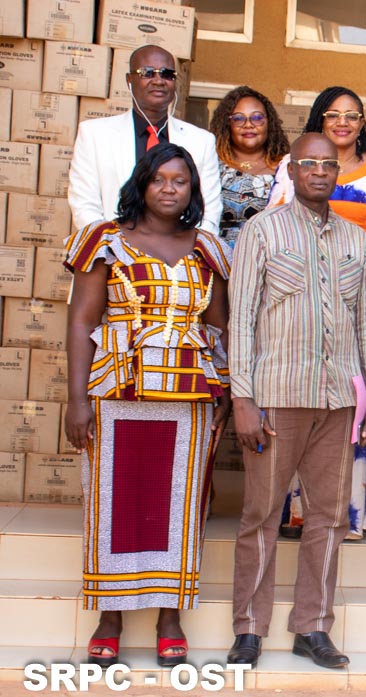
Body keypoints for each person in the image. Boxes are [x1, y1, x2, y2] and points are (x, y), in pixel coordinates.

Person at [64, 143, 231, 668]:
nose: (169, 188)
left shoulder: (207, 248)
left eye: (180, 180)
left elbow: (221, 327)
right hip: (118, 390)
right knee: (112, 501)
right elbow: (81, 321)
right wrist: (76, 399)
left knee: (180, 504)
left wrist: (229, 390)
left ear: (192, 190)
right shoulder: (105, 240)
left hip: (190, 396)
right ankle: (109, 616)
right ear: (142, 183)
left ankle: (169, 616)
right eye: (159, 178)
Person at [226, 133, 366, 668]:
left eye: (328, 164)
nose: (319, 171)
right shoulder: (262, 230)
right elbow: (240, 319)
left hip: (338, 400)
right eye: (308, 163)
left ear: (337, 172)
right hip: (276, 397)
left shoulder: (356, 239)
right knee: (261, 514)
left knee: (329, 517)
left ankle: (312, 627)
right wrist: (243, 398)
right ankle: (249, 628)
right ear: (291, 171)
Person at [269, 86, 366, 538]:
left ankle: (353, 512)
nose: (343, 123)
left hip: (363, 304)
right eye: (333, 114)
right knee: (303, 398)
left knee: (361, 399)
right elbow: (273, 233)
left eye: (352, 115)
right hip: (301, 304)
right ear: (319, 119)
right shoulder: (292, 167)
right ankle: (299, 511)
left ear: (363, 123)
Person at [69, 45, 222, 235]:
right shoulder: (94, 134)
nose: (158, 81)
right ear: (129, 80)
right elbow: (84, 206)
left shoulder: (201, 141)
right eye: (148, 73)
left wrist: (184, 249)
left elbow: (209, 213)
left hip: (180, 251)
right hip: (111, 248)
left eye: (167, 74)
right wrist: (115, 248)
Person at [208, 85, 290, 248]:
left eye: (257, 118)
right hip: (218, 255)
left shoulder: (286, 168)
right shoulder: (211, 165)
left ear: (269, 123)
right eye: (238, 118)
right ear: (227, 124)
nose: (248, 125)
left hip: (270, 255)